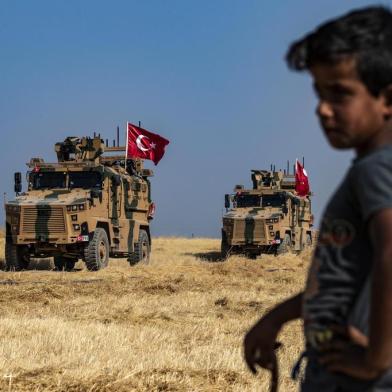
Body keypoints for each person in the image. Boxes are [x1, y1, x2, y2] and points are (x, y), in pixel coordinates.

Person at [244, 6, 392, 391]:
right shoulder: (371, 168)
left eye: (340, 94)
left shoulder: (376, 171)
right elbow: (342, 280)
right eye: (319, 93)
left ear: (387, 99)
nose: (323, 109)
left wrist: (376, 358)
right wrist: (277, 316)